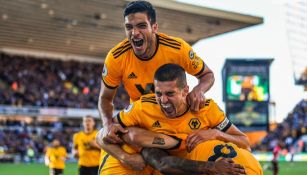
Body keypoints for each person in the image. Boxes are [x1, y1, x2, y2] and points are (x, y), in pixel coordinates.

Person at [97, 64, 251, 175]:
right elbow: (101, 136)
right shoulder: (142, 107)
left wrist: (216, 134)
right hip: (139, 165)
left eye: (170, 94)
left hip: (174, 166)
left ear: (185, 91)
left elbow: (245, 143)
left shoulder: (207, 110)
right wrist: (125, 157)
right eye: (158, 93)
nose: (163, 100)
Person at [98, 0, 215, 144]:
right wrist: (106, 125)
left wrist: (199, 90)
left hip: (176, 119)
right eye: (129, 27)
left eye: (141, 26)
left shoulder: (177, 49)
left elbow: (207, 75)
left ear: (154, 27)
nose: (134, 33)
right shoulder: (116, 57)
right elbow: (105, 98)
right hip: (143, 121)